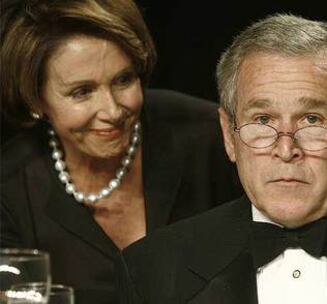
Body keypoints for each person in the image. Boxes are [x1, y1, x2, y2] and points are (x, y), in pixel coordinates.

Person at [120, 14, 327, 303]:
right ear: (228, 136)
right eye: (262, 120)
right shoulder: (153, 270)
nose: (286, 151)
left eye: (312, 120)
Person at [0, 1, 242, 303]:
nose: (113, 111)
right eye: (82, 92)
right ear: (36, 100)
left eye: (124, 80)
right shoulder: (10, 187)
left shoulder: (209, 136)